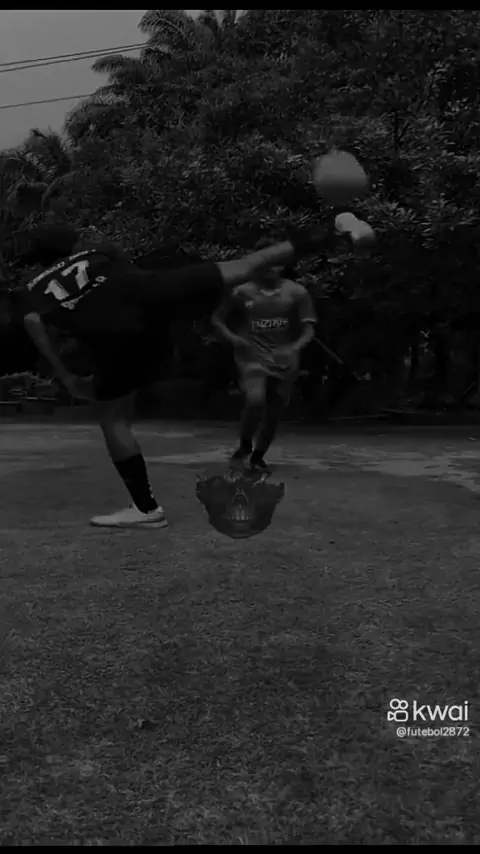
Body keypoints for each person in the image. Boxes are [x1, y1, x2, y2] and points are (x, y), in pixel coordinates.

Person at [13, 214, 373, 529]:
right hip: (153, 291)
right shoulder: (97, 253)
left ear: (37, 258)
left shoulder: (35, 287)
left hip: (115, 331)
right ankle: (338, 232)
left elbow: (33, 322)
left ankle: (147, 510)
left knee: (113, 418)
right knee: (248, 264)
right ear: (72, 244)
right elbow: (127, 273)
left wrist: (67, 376)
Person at [212, 242, 317, 471]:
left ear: (283, 265)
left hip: (284, 360)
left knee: (274, 413)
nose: (271, 267)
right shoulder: (241, 292)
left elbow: (309, 330)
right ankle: (244, 446)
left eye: (276, 263)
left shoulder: (297, 292)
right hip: (252, 357)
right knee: (255, 400)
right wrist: (233, 338)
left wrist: (294, 348)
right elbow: (217, 319)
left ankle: (258, 456)